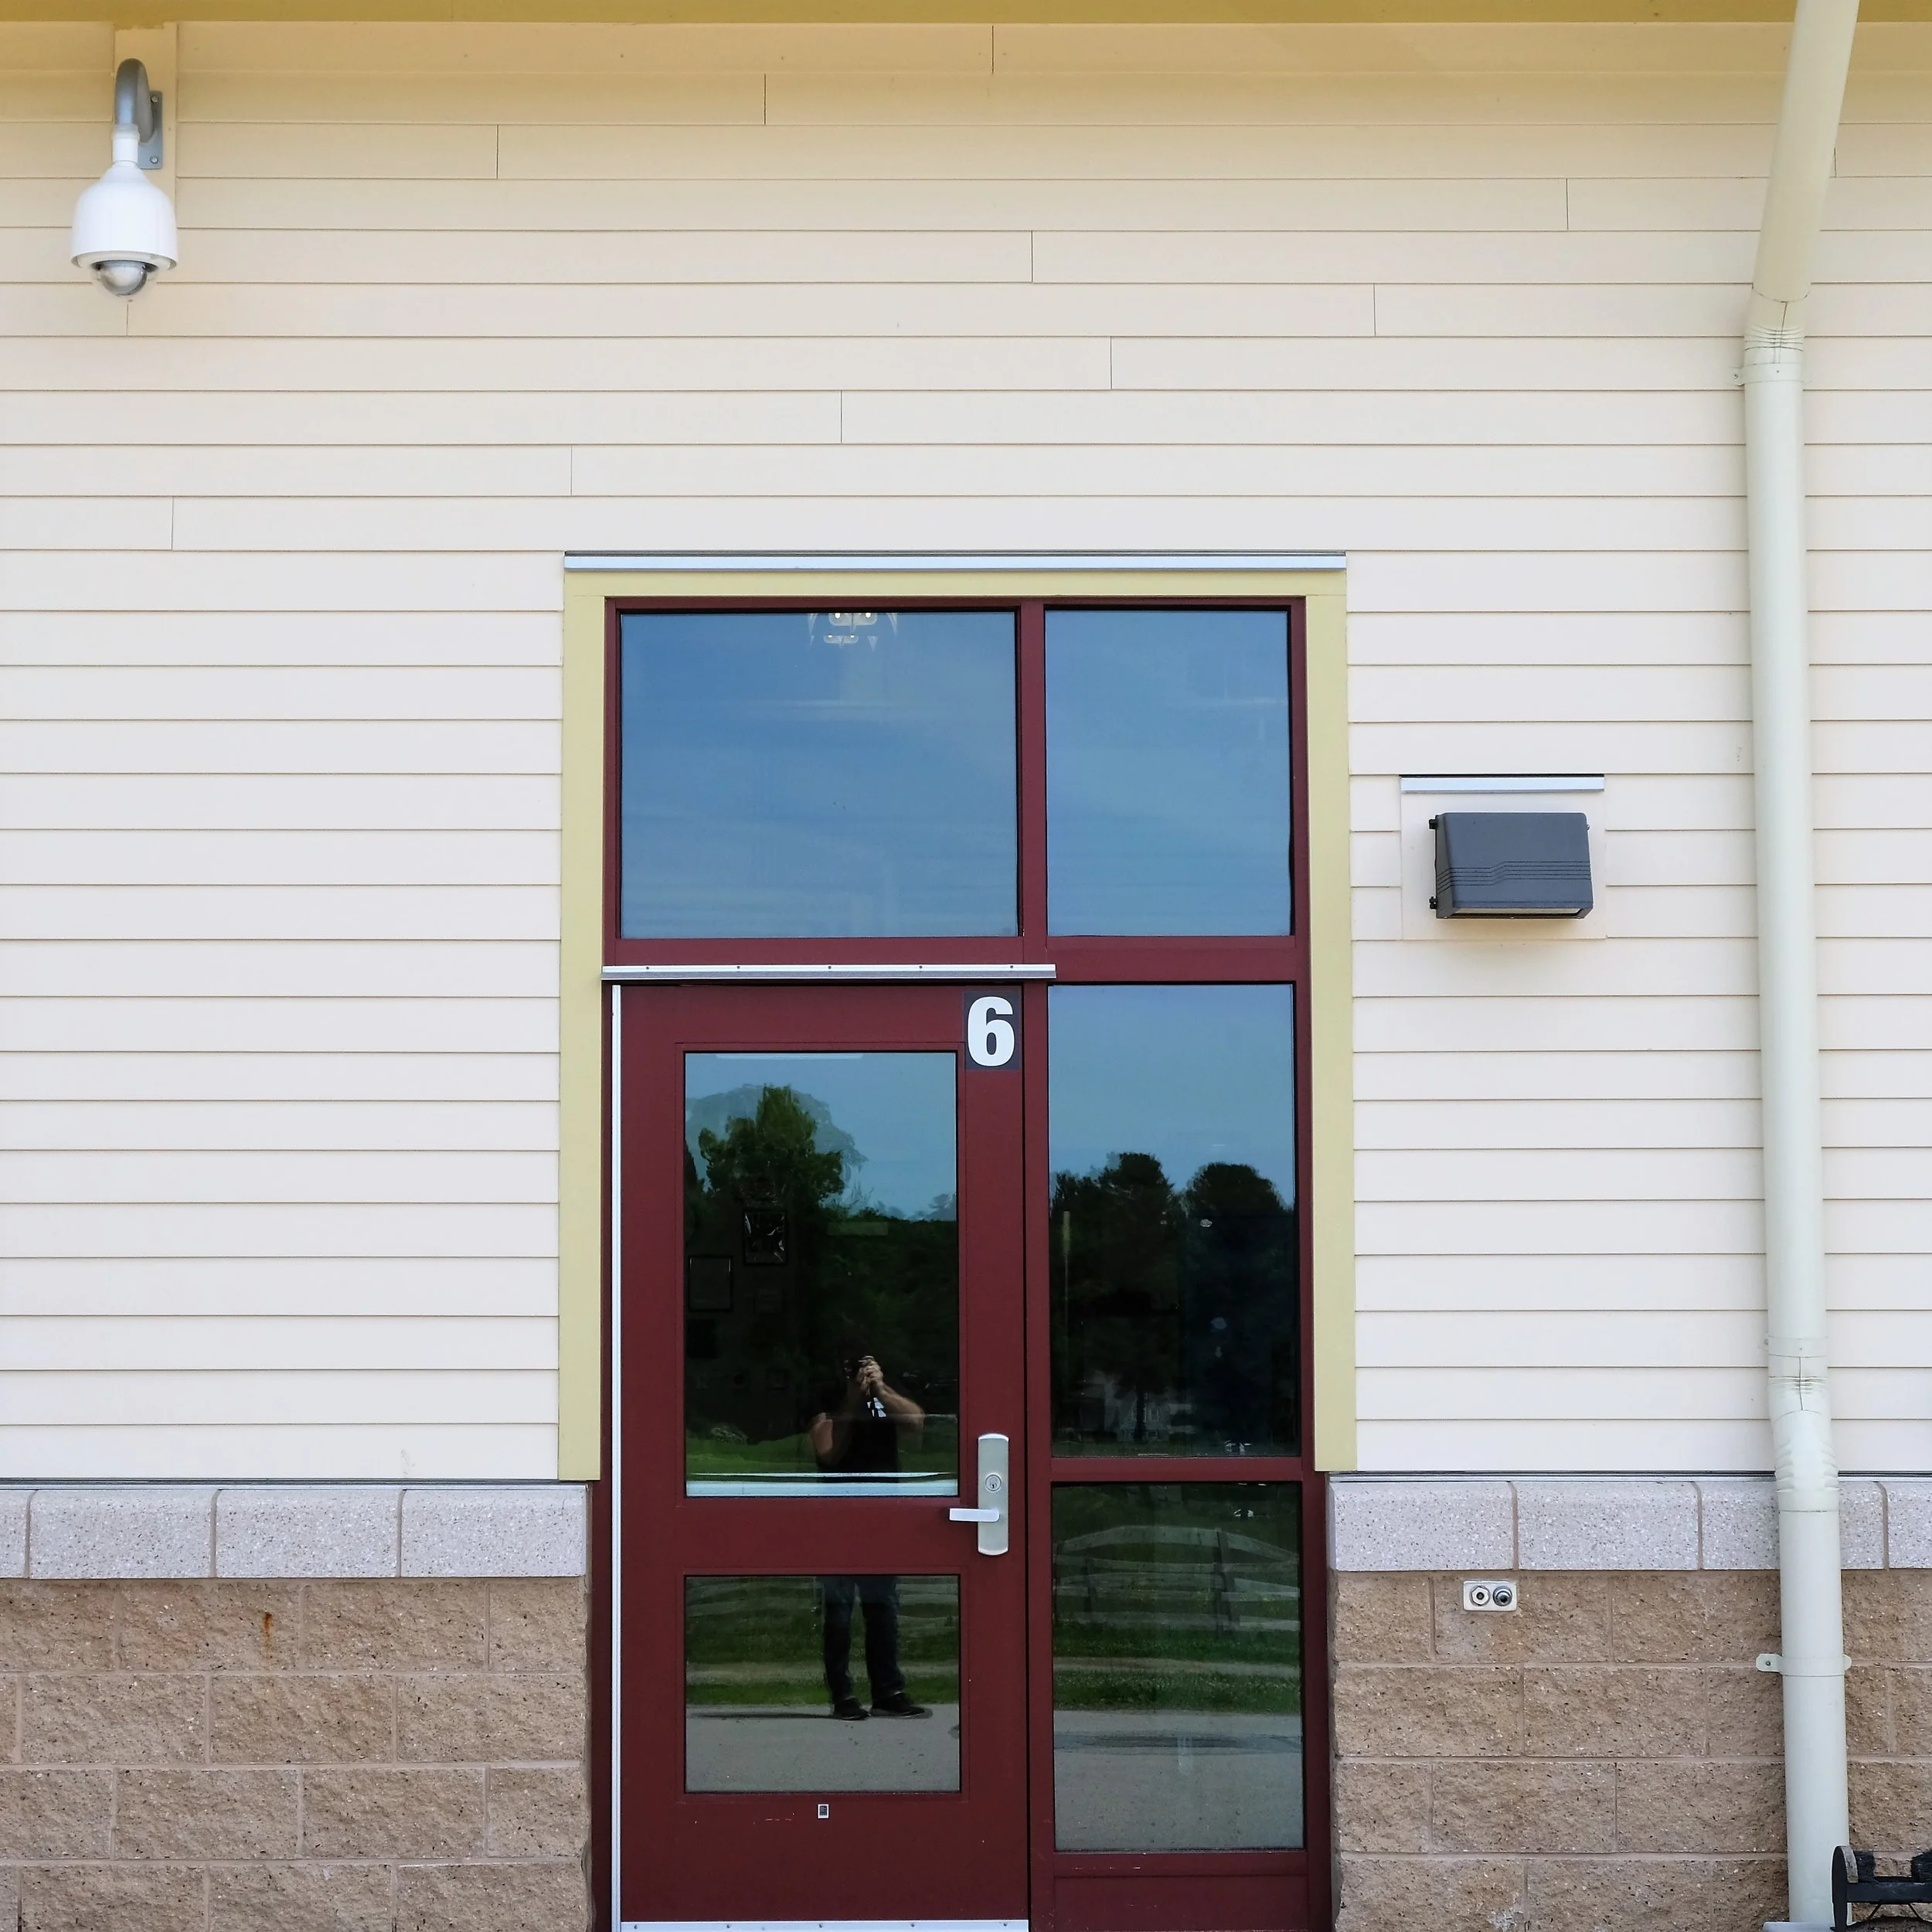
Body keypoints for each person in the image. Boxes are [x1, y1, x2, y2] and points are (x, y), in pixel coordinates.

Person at [810, 1351, 930, 1721]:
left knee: (883, 1607)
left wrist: (880, 1389)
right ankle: (844, 1696)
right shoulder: (825, 1398)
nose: (858, 1374)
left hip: (883, 1516)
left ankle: (888, 1692)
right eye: (852, 1369)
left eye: (863, 1366)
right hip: (837, 1518)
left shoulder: (886, 1391)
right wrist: (851, 1400)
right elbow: (829, 1451)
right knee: (839, 1610)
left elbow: (916, 1424)